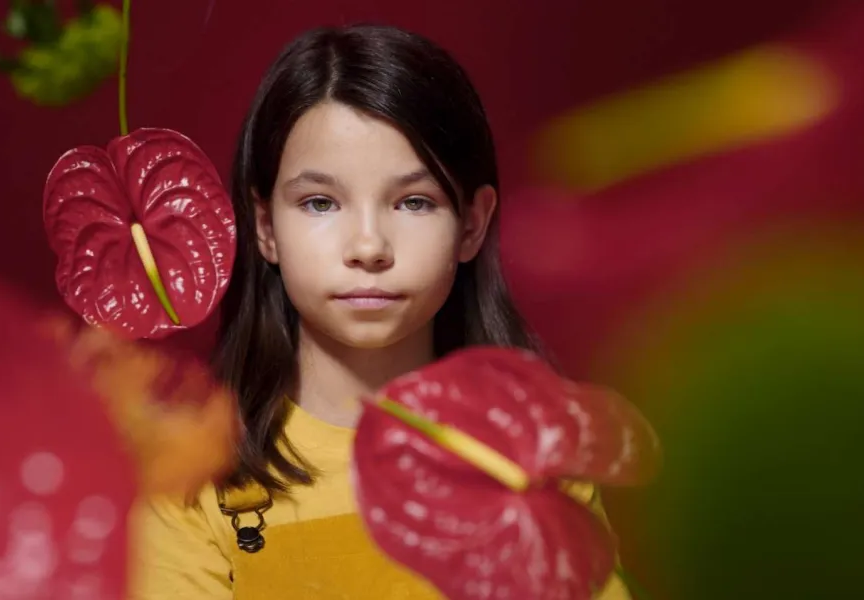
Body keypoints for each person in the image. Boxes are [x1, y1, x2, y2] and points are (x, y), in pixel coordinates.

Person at [128, 24, 632, 599]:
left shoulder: (536, 458)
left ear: (472, 223)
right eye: (320, 202)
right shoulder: (193, 478)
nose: (368, 247)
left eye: (413, 202)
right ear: (266, 227)